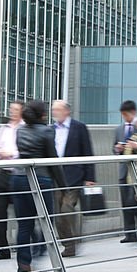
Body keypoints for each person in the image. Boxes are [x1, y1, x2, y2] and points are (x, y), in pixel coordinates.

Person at [12, 100, 66, 272]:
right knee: (47, 222)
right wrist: (63, 185)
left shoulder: (19, 130)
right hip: (40, 180)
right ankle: (38, 254)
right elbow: (52, 159)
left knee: (24, 225)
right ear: (42, 115)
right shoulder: (46, 131)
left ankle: (24, 267)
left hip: (19, 178)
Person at [51, 100, 95, 258]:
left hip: (75, 176)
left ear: (67, 111)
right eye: (53, 110)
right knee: (57, 213)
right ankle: (68, 245)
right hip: (56, 176)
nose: (54, 112)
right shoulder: (50, 129)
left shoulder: (79, 127)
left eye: (57, 109)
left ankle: (74, 239)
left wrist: (90, 177)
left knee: (66, 209)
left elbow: (87, 151)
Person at [0, 101, 25, 260]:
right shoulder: (4, 129)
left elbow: (24, 150)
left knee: (22, 214)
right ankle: (3, 249)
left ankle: (25, 247)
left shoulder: (25, 128)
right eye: (11, 109)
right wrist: (2, 153)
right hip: (3, 174)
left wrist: (11, 153)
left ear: (22, 112)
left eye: (16, 110)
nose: (12, 112)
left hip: (18, 174)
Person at [112, 100, 137, 243]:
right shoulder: (119, 129)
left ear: (133, 112)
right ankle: (130, 233)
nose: (125, 118)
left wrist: (135, 146)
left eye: (126, 115)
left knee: (136, 202)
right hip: (123, 170)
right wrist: (117, 148)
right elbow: (113, 148)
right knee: (126, 202)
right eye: (123, 115)